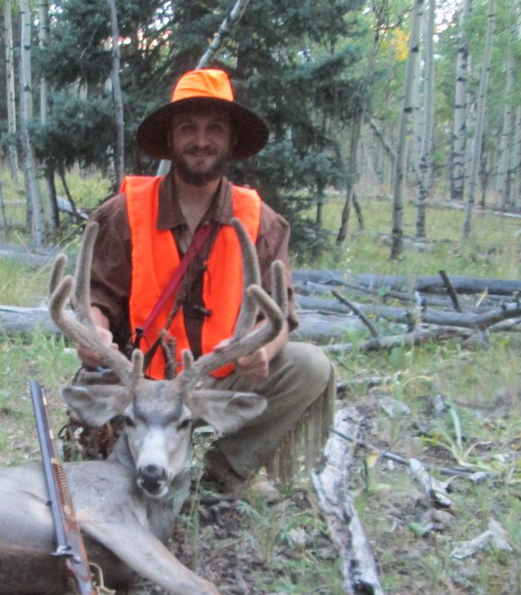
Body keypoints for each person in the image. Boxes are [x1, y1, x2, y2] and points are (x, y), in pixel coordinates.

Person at [75, 68, 334, 495]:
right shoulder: (125, 213)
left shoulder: (262, 222)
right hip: (141, 382)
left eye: (214, 128)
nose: (201, 140)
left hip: (215, 379)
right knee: (104, 462)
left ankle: (219, 476)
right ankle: (136, 457)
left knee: (309, 366)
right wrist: (96, 329)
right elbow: (98, 293)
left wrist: (262, 351)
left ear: (231, 140)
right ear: (171, 139)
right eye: (188, 128)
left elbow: (281, 314)